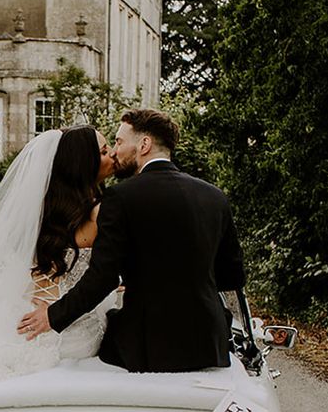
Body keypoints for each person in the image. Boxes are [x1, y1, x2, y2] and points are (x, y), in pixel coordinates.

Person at [18, 109, 246, 373]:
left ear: (144, 144)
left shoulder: (121, 197)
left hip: (146, 348)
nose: (115, 152)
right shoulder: (214, 196)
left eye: (119, 142)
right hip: (208, 344)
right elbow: (232, 276)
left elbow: (102, 277)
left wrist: (53, 316)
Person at [0, 126, 116, 383]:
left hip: (22, 323)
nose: (113, 155)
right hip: (73, 332)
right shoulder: (100, 213)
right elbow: (105, 273)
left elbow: (4, 247)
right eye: (105, 151)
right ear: (84, 164)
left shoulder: (40, 208)